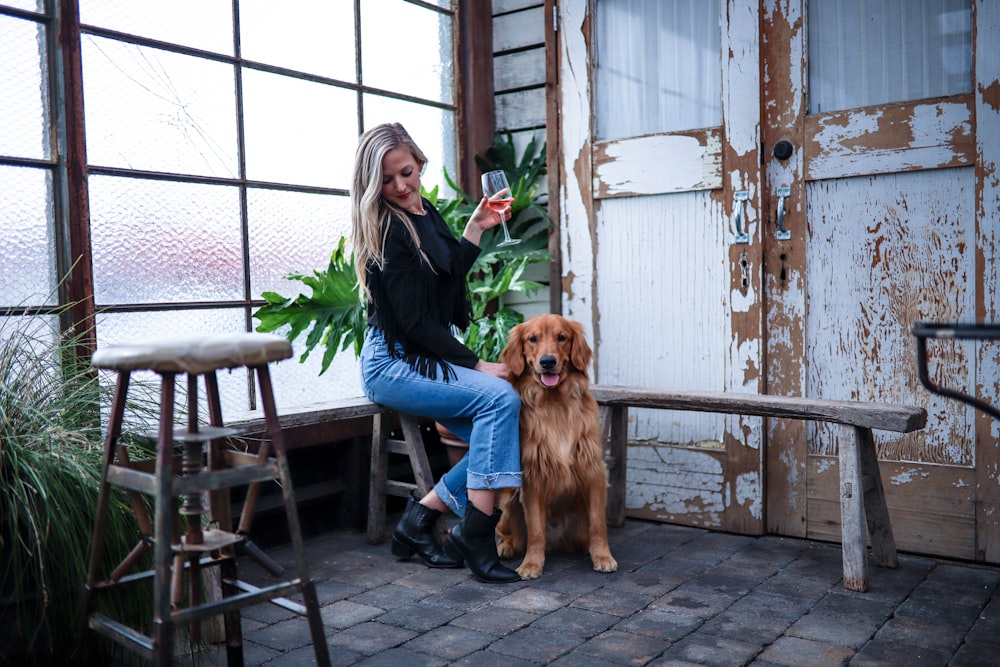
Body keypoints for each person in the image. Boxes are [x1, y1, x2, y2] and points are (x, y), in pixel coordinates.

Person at [350, 122, 522, 584]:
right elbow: (413, 322)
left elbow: (445, 286)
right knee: (500, 399)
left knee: (506, 431)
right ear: (372, 185)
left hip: (418, 354)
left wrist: (474, 228)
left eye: (406, 172)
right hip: (393, 361)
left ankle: (419, 520)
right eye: (386, 181)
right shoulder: (389, 229)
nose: (400, 186)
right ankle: (477, 536)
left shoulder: (424, 213)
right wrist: (477, 363)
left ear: (420, 163)